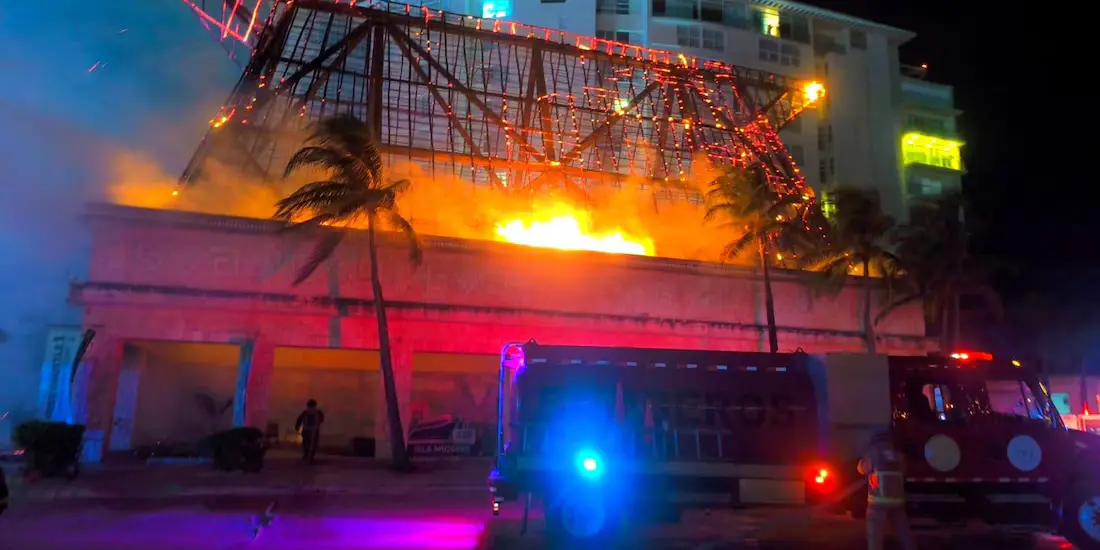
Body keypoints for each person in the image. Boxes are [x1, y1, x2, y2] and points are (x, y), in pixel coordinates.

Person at [858, 427, 917, 550]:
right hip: (897, 501)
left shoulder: (873, 452)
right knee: (904, 533)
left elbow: (864, 469)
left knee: (875, 536)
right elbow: (904, 472)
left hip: (878, 501)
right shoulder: (899, 454)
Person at [294, 399, 325, 464]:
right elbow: (322, 420)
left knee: (311, 444)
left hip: (311, 430)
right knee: (308, 443)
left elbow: (299, 420)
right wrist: (297, 426)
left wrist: (297, 427)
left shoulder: (311, 412)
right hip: (310, 430)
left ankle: (309, 455)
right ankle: (308, 455)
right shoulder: (314, 412)